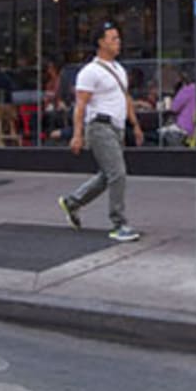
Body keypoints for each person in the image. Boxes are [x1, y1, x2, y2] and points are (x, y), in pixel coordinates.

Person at [57, 22, 143, 242]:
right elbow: (80, 106)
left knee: (108, 175)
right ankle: (119, 223)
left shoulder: (119, 69)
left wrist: (135, 125)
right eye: (113, 38)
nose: (118, 42)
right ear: (101, 43)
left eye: (118, 38)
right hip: (99, 127)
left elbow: (125, 98)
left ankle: (72, 202)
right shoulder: (90, 72)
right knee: (118, 174)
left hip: (117, 127)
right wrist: (77, 135)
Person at [158, 74, 196, 147]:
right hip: (195, 130)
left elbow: (174, 108)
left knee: (157, 134)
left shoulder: (188, 89)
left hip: (183, 128)